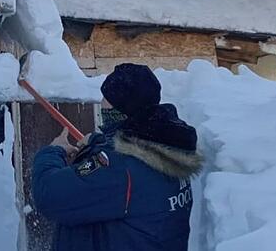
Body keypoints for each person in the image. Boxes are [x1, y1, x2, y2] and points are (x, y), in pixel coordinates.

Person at [32, 63, 203, 251]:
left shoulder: (119, 169)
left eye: (107, 99)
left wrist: (53, 152)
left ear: (121, 109)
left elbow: (49, 195)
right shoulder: (168, 146)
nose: (102, 103)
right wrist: (98, 143)